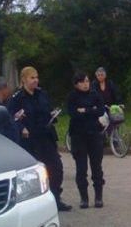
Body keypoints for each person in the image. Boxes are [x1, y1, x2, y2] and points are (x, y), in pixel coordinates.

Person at [8, 66, 72, 212]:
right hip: (30, 140)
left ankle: (55, 198)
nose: (35, 80)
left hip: (46, 136)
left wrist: (53, 115)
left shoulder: (42, 94)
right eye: (32, 78)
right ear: (23, 79)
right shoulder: (17, 98)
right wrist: (21, 127)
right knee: (33, 173)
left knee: (56, 168)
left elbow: (47, 110)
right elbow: (12, 118)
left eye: (37, 77)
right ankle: (35, 204)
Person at [67, 71, 106, 209]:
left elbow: (101, 111)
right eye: (82, 81)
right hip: (78, 136)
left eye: (87, 81)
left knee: (97, 167)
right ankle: (84, 198)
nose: (86, 84)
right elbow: (72, 113)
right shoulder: (72, 96)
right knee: (81, 168)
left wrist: (85, 110)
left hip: (94, 133)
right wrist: (90, 110)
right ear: (76, 84)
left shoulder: (95, 94)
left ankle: (98, 197)